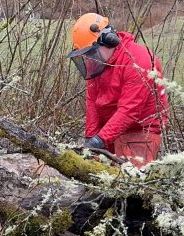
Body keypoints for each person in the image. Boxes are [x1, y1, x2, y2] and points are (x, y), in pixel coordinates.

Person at [67, 13, 169, 167]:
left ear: (109, 40)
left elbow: (129, 110)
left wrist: (99, 140)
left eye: (91, 53)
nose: (89, 59)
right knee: (92, 176)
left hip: (140, 132)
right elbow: (92, 101)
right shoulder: (97, 64)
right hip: (108, 131)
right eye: (87, 55)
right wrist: (91, 138)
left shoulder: (138, 60)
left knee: (128, 181)